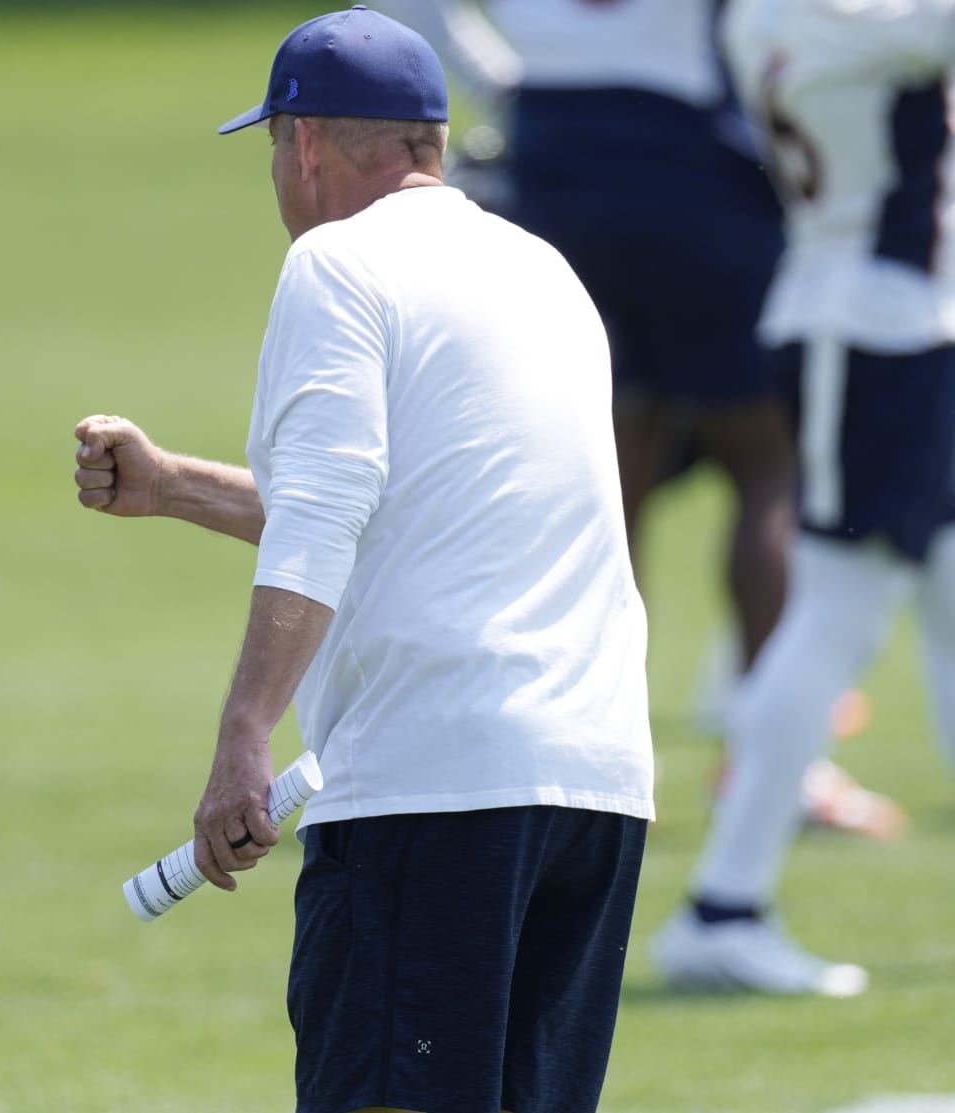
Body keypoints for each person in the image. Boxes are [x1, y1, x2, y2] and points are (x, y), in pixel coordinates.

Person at [73, 8, 654, 1111]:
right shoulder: (541, 271)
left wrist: (246, 733)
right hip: (593, 786)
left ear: (304, 145)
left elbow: (331, 505)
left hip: (432, 792)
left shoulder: (338, 264)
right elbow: (433, 511)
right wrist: (174, 487)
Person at [377, 0, 903, 838]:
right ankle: (774, 768)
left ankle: (583, 746)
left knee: (602, 470)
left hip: (553, 160)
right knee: (767, 462)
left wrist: (509, 84)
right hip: (693, 162)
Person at [652, 0, 955, 997]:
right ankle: (722, 905)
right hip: (875, 328)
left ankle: (726, 905)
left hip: (883, 323)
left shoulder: (765, 18)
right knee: (836, 615)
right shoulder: (852, 21)